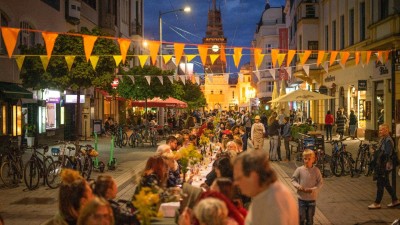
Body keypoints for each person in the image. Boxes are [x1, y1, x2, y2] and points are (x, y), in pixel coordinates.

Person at [232, 151, 298, 225]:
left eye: (238, 178)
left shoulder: (272, 204)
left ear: (253, 176)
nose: (235, 183)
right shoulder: (268, 194)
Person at [368, 124, 400, 209]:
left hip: (386, 165)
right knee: (385, 183)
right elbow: (381, 151)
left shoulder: (388, 140)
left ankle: (377, 203)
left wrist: (377, 153)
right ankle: (395, 200)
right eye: (379, 130)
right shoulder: (383, 139)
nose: (379, 131)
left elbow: (387, 154)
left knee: (380, 183)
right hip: (383, 164)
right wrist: (375, 151)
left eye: (381, 130)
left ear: (386, 130)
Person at [291, 149, 323, 225]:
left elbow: (320, 182)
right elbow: (293, 180)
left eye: (309, 159)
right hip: (302, 198)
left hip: (312, 199)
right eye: (305, 159)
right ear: (303, 159)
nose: (307, 161)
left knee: (310, 218)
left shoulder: (316, 170)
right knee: (301, 217)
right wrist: (298, 186)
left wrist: (313, 189)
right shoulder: (299, 170)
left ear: (313, 159)